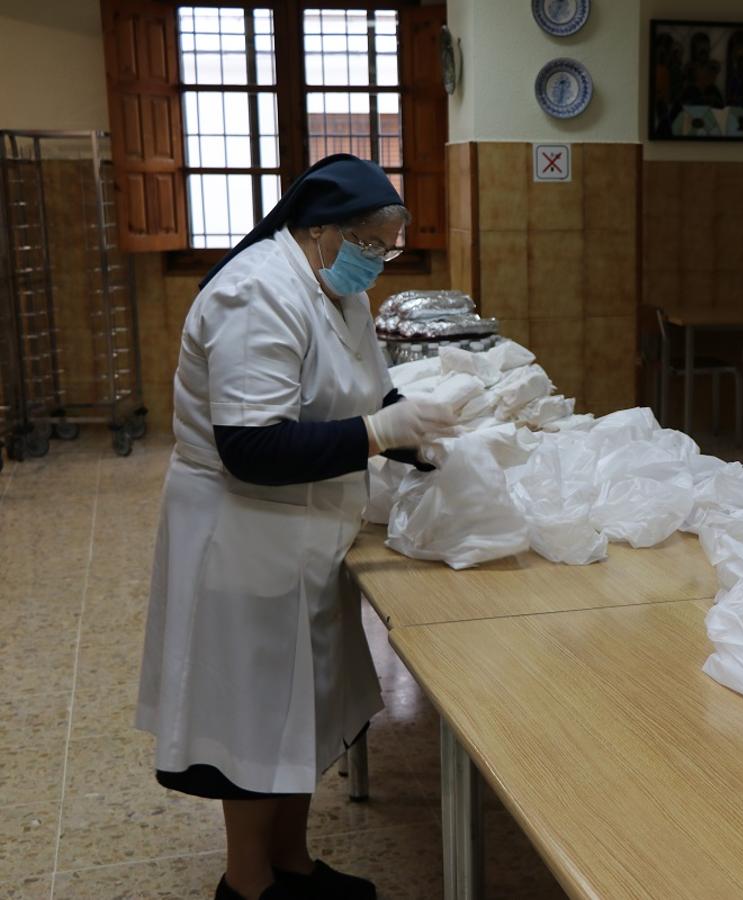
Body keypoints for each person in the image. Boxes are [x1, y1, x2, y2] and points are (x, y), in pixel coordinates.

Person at [136, 154, 458, 900]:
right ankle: (248, 886)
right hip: (241, 535)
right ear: (320, 231)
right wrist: (380, 433)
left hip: (302, 534)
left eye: (390, 248)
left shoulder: (332, 291)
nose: (378, 261)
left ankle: (294, 865)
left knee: (299, 713)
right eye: (371, 245)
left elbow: (366, 389)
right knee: (252, 721)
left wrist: (420, 436)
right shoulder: (256, 294)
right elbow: (251, 447)